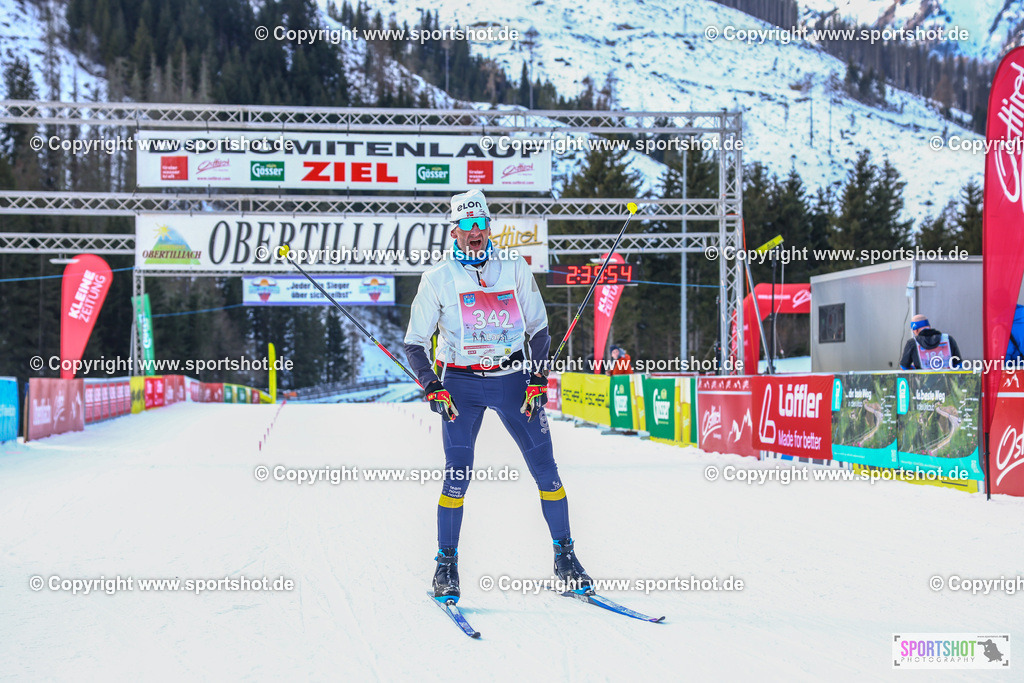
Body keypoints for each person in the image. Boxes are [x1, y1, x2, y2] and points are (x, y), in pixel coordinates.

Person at [404, 189, 592, 601]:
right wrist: (431, 384)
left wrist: (537, 376)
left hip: (512, 380)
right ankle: (445, 565)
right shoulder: (437, 278)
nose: (474, 232)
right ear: (454, 233)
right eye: (465, 226)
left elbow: (539, 328)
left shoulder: (515, 268)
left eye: (480, 224)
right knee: (457, 475)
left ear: (489, 227)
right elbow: (415, 342)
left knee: (547, 470)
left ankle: (566, 558)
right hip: (460, 385)